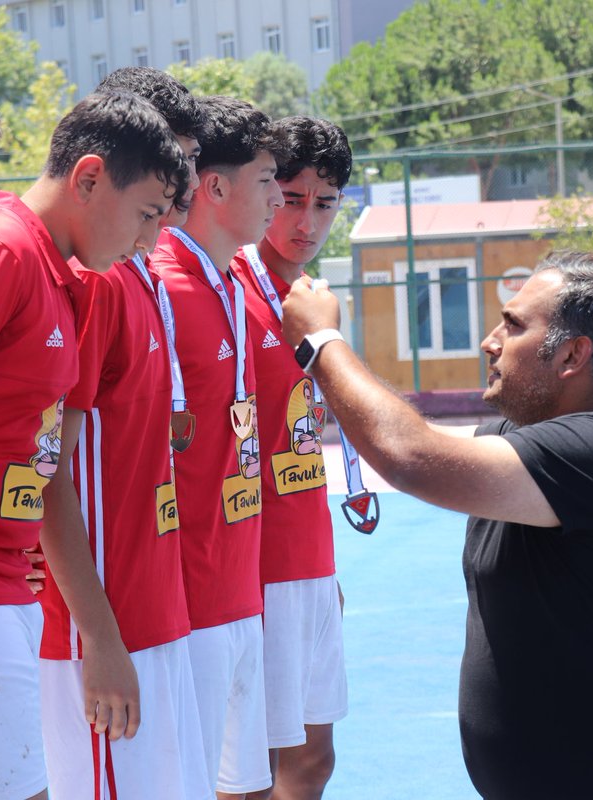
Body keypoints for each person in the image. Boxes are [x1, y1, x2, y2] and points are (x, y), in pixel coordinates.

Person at [279, 251, 593, 800]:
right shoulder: (521, 442)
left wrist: (321, 340)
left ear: (573, 354)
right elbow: (409, 442)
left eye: (515, 325)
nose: (490, 341)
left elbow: (408, 455)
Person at [0, 91, 187, 800]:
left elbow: (37, 459)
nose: (150, 241)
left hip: (2, 580)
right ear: (90, 178)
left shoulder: (66, 277)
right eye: (147, 215)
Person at [36, 66, 211, 800]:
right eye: (160, 192)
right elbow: (48, 472)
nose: (175, 205)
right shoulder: (100, 281)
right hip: (104, 630)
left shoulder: (136, 274)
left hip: (155, 617)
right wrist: (101, 639)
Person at [149, 95, 286, 799]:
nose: (279, 198)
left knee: (254, 787)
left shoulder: (237, 279)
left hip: (240, 589)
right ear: (216, 187)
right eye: (267, 179)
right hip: (187, 602)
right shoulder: (158, 284)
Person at [230, 116, 352, 800]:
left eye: (325, 201)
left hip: (307, 560)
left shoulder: (313, 300)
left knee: (311, 761)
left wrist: (325, 570)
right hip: (251, 567)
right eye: (292, 198)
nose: (306, 220)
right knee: (246, 774)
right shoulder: (236, 293)